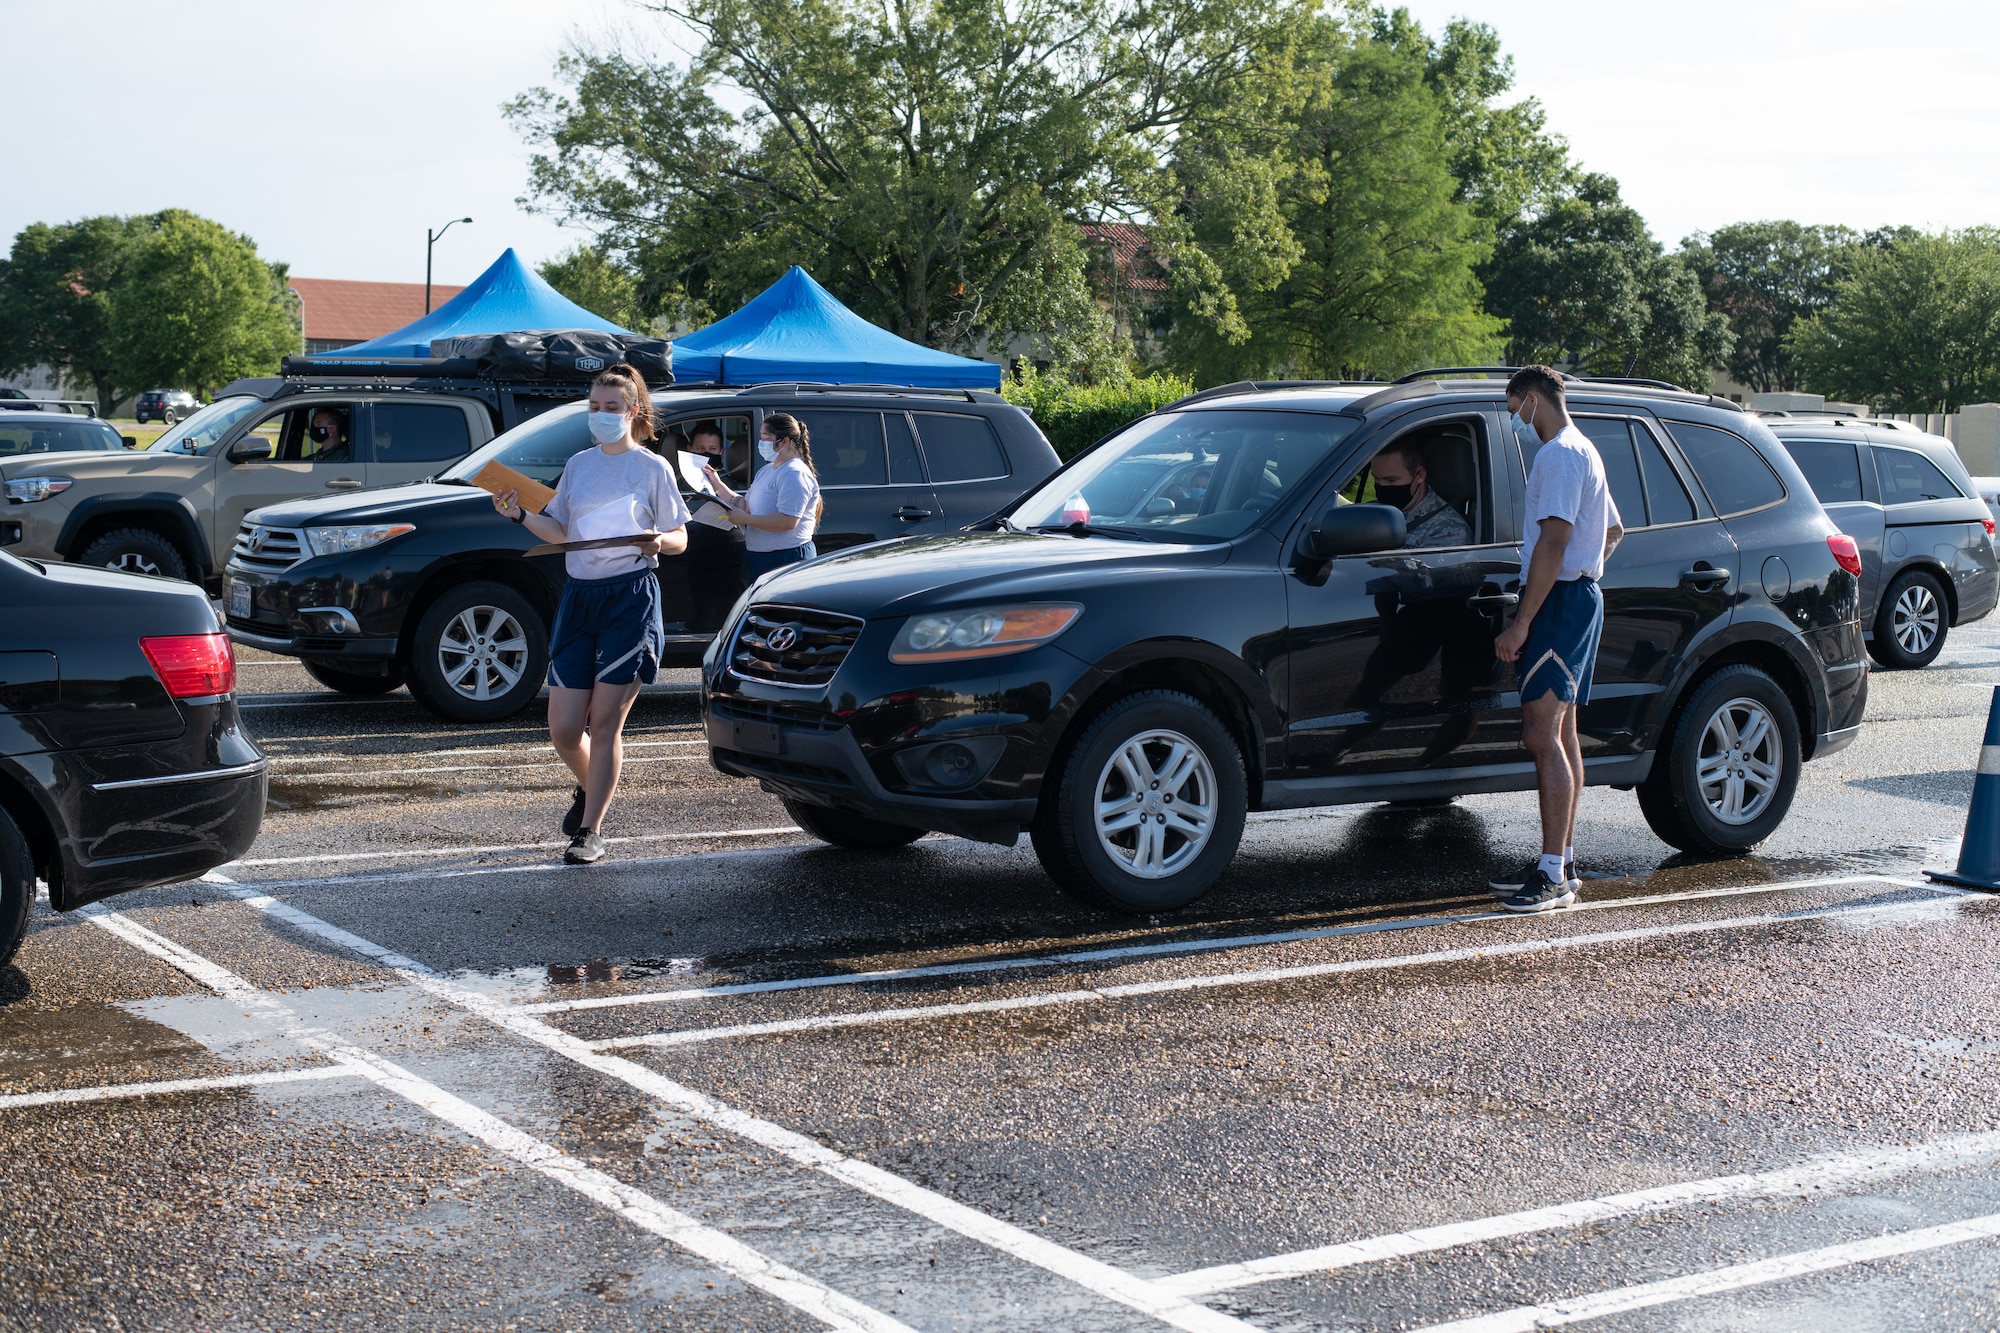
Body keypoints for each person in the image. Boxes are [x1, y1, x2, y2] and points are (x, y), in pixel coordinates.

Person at [491, 365, 690, 864]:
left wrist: (659, 540)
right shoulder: (579, 465)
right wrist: (517, 513)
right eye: (594, 407)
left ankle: (590, 831)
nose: (600, 415)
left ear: (633, 412)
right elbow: (560, 532)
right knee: (563, 728)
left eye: (611, 408)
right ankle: (593, 787)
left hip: (630, 599)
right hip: (580, 596)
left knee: (604, 723)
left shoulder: (652, 469)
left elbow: (681, 538)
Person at [1489, 365, 1623, 912]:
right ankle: (1560, 861)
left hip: (1560, 604)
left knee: (1541, 734)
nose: (1514, 418)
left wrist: (1524, 621)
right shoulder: (1584, 449)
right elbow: (1613, 530)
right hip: (1576, 598)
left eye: (1513, 405)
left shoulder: (1559, 454)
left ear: (1533, 398)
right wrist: (1589, 577)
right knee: (1563, 735)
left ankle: (1553, 878)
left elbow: (1554, 541)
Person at [702, 412, 822, 578]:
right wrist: (717, 483)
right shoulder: (768, 470)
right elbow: (745, 505)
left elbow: (788, 520)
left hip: (787, 558)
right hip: (761, 558)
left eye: (766, 438)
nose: (761, 443)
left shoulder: (794, 473)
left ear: (784, 442)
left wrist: (744, 519)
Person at [1370, 440, 1470, 549]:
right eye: (1377, 479)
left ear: (1420, 476)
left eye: (1391, 480)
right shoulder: (1371, 512)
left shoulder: (1448, 531)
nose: (1382, 486)